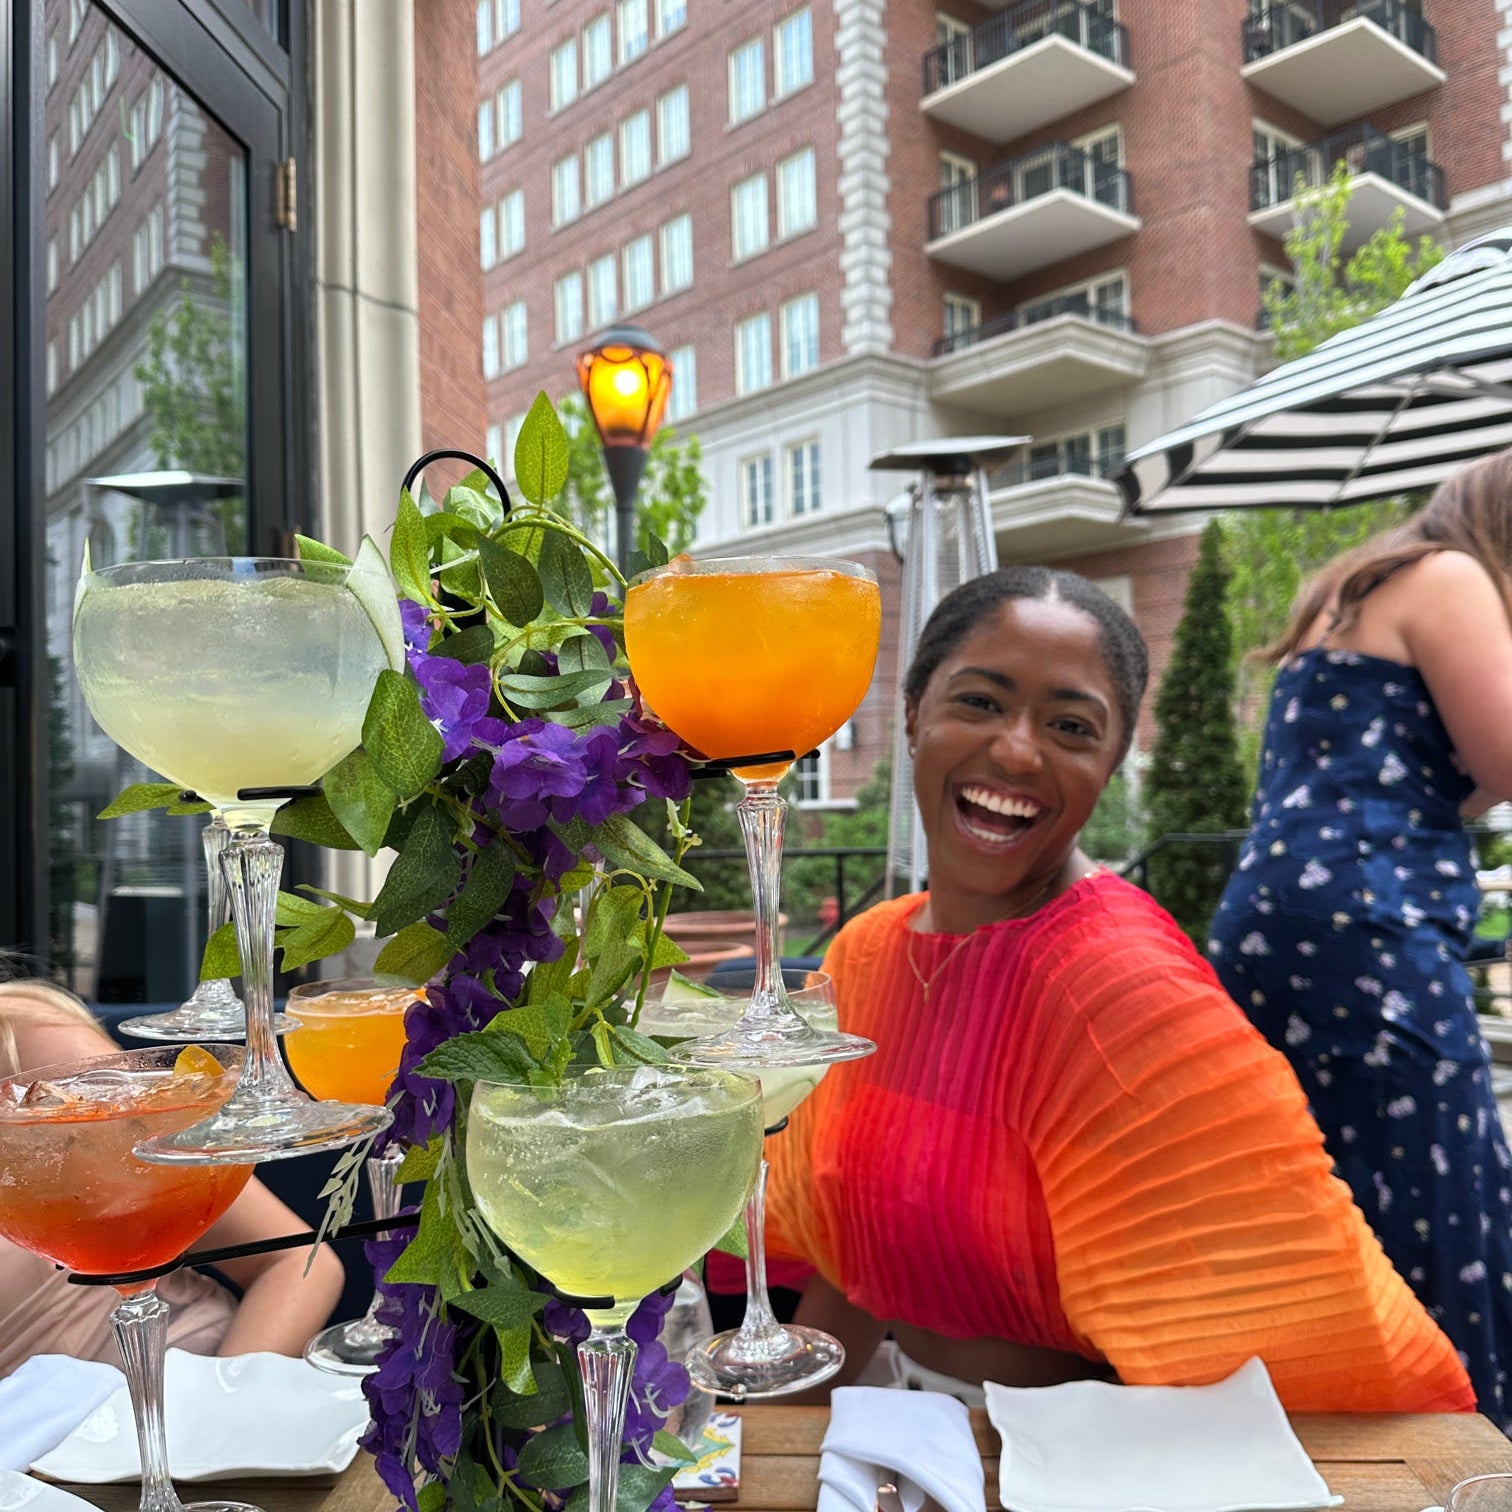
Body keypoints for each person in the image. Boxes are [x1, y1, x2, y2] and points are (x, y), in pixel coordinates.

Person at [764, 565, 1476, 1416]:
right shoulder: (867, 953)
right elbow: (855, 1262)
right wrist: (769, 1451)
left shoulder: (1125, 988)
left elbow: (1293, 1343)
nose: (1017, 749)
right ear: (913, 714)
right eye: (981, 702)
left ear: (1110, 761)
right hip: (897, 1433)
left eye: (1070, 725)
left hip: (1096, 1464)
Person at [1209, 447, 1512, 1428]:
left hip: (1281, 920)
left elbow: (1422, 771)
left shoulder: (1351, 592)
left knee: (1317, 1181)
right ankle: (1454, 1449)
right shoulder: (1453, 577)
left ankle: (1317, 1427)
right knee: (1435, 1174)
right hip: (1368, 926)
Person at [0, 973, 345, 1377]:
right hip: (33, 1437)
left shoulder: (20, 1034)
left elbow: (297, 1261)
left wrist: (218, 1409)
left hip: (191, 1376)